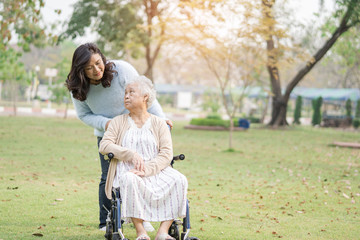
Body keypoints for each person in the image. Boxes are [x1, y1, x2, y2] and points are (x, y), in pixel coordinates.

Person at [66, 43, 172, 231]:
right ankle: (106, 221)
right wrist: (106, 123)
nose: (96, 70)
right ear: (81, 70)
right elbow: (84, 115)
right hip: (109, 134)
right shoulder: (78, 88)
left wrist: (161, 119)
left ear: (102, 58)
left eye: (98, 63)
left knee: (141, 170)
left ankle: (141, 217)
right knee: (109, 176)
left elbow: (145, 96)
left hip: (136, 128)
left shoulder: (121, 70)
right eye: (89, 68)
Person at [99, 75, 188, 240]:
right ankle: (141, 232)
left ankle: (163, 232)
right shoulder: (118, 122)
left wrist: (147, 169)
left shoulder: (159, 123)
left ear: (145, 97)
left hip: (155, 170)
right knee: (129, 179)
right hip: (128, 170)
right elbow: (104, 145)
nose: (126, 96)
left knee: (180, 179)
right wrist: (130, 154)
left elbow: (166, 154)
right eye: (125, 93)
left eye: (131, 92)